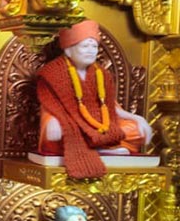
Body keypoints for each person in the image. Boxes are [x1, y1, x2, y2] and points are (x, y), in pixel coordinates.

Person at [36, 20, 152, 179]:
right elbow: (49, 104)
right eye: (85, 46)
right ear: (69, 50)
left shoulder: (101, 74)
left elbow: (111, 107)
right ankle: (99, 146)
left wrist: (136, 118)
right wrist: (52, 120)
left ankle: (98, 145)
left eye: (94, 46)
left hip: (100, 126)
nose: (91, 51)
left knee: (136, 131)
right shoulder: (52, 73)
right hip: (70, 126)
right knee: (57, 135)